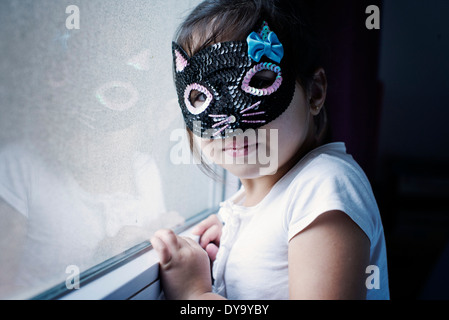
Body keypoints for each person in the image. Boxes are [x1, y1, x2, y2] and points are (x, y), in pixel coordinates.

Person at [151, 0, 389, 300]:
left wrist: (194, 296)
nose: (232, 123)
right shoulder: (245, 202)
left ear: (315, 92)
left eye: (260, 82)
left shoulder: (325, 186)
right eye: (200, 96)